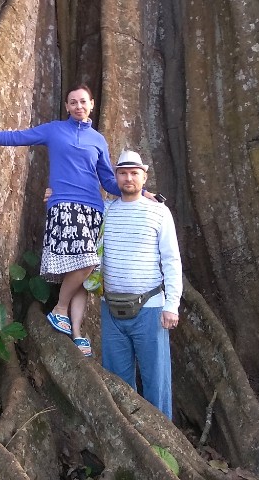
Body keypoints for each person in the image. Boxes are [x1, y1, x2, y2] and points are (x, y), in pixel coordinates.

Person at [0, 84, 120, 357]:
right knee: (88, 261)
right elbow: (17, 137)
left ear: (91, 104)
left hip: (93, 210)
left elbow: (109, 180)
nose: (78, 106)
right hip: (64, 204)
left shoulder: (99, 140)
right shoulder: (54, 130)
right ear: (67, 106)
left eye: (83, 102)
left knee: (83, 274)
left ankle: (77, 333)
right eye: (73, 102)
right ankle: (60, 309)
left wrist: (139, 191)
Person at [100, 149, 182, 420]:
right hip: (110, 308)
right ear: (115, 176)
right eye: (122, 173)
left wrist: (172, 305)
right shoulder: (105, 210)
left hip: (150, 308)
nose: (128, 178)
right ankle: (131, 443)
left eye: (134, 173)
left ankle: (162, 448)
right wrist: (55, 197)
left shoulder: (159, 212)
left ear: (144, 177)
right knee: (118, 383)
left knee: (155, 381)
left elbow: (171, 260)